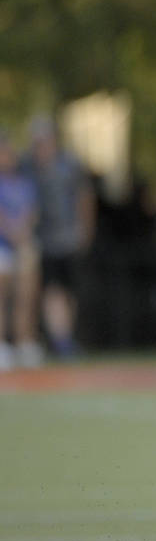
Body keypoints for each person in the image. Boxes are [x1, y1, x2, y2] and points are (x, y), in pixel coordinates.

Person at [20, 115, 93, 359]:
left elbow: (84, 198)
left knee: (69, 290)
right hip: (43, 238)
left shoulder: (69, 164)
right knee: (52, 290)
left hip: (69, 237)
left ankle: (65, 337)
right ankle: (61, 340)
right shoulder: (26, 165)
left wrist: (85, 228)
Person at [0, 132, 41, 370]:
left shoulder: (24, 183)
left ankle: (24, 343)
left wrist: (22, 232)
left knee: (26, 296)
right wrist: (12, 232)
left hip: (23, 244)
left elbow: (32, 211)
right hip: (2, 245)